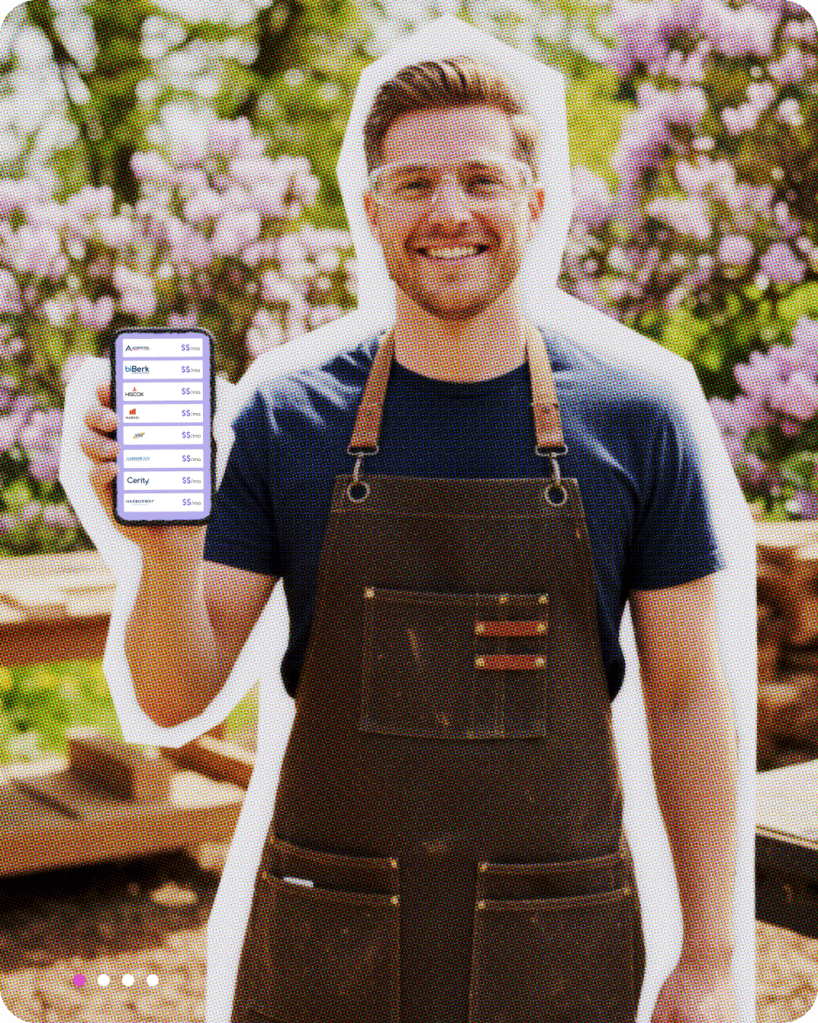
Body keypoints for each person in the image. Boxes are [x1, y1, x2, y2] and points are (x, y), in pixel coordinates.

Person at [82, 54, 738, 1023]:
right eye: (413, 183)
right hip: (328, 955)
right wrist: (166, 552)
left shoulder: (637, 416)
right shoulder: (288, 415)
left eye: (480, 179)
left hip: (553, 954)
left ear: (534, 200)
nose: (448, 211)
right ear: (371, 209)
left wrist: (711, 957)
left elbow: (685, 699)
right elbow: (173, 694)